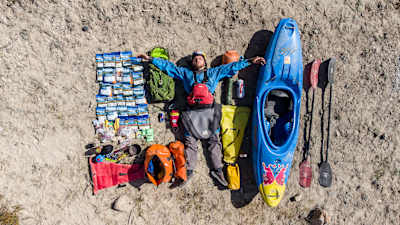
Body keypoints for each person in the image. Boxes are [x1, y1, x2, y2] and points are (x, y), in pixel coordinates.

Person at [138, 51, 265, 187]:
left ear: (205, 63)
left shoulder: (214, 72)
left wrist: (251, 61)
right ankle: (187, 171)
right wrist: (151, 59)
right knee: (190, 142)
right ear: (192, 64)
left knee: (214, 141)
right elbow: (169, 67)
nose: (197, 59)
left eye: (200, 58)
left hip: (210, 113)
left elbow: (232, 67)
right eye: (195, 59)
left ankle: (217, 170)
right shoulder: (186, 74)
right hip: (191, 114)